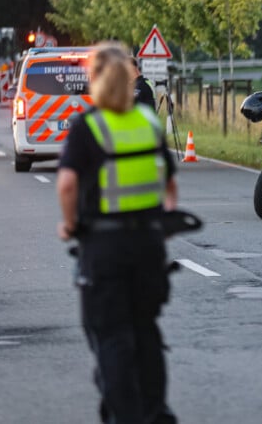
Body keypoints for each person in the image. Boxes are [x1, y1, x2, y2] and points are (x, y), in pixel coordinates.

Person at [57, 42, 178, 424]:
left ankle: (125, 416)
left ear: (93, 79)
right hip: (147, 245)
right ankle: (156, 411)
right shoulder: (148, 124)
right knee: (146, 331)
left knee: (111, 336)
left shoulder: (88, 126)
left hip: (104, 247)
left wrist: (70, 223)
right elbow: (170, 190)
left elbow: (66, 186)